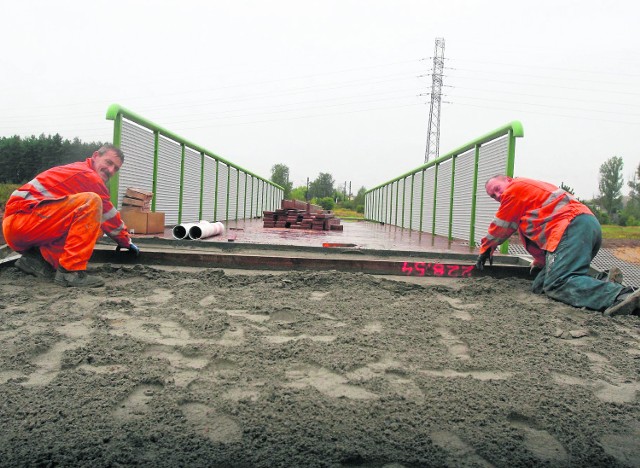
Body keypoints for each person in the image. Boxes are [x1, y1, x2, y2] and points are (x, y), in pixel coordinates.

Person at [475, 175, 639, 316]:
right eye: (493, 195)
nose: (497, 195)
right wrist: (541, 261)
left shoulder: (515, 190)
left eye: (497, 188)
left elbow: (501, 226)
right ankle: (604, 282)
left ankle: (621, 296)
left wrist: (486, 248)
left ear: (508, 180)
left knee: (557, 283)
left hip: (572, 226)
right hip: (582, 226)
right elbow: (542, 235)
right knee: (540, 286)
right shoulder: (526, 196)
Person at [2, 144, 139, 287]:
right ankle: (69, 272)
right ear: (95, 156)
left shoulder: (80, 170)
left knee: (95, 226)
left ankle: (37, 260)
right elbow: (109, 217)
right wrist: (126, 241)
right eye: (108, 162)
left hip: (25, 224)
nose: (111, 170)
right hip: (22, 221)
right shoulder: (88, 176)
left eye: (115, 168)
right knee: (92, 201)